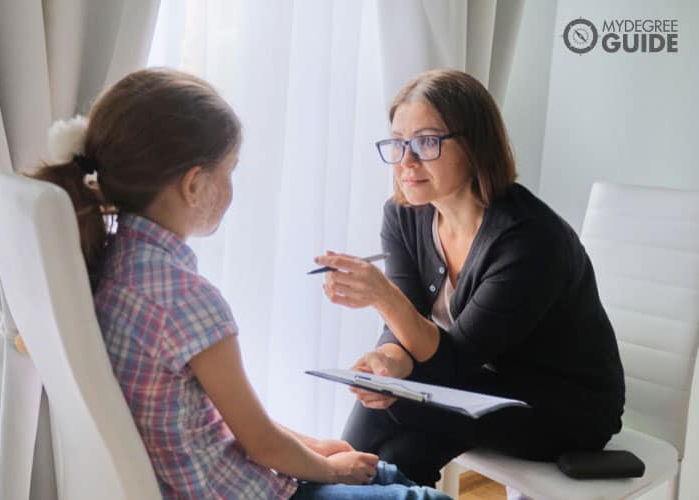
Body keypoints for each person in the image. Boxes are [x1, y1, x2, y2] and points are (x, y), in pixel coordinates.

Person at [31, 68, 449, 500]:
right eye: (229, 171)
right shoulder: (188, 301)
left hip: (219, 475)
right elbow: (262, 443)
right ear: (194, 185)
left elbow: (222, 418)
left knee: (386, 475)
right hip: (241, 491)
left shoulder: (111, 264)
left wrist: (313, 447)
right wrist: (327, 469)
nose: (231, 186)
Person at [315, 69, 626, 487]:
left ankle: (331, 490)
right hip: (476, 384)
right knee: (392, 443)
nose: (406, 161)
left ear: (475, 145)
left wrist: (382, 296)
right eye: (398, 142)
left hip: (561, 406)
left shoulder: (529, 238)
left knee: (394, 430)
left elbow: (451, 364)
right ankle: (330, 488)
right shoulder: (405, 213)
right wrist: (386, 363)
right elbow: (408, 325)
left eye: (426, 141)